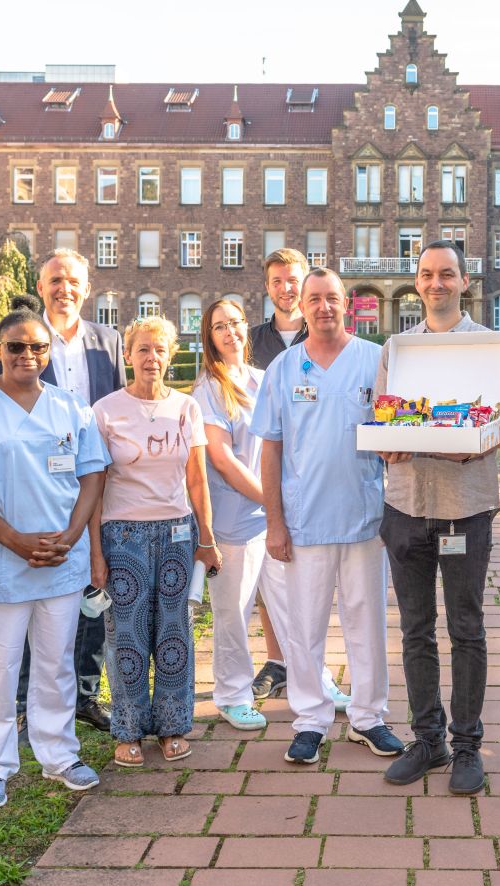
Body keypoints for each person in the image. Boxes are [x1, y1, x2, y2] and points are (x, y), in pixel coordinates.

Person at [0, 308, 109, 809]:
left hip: (61, 560)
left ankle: (60, 755)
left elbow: (92, 475)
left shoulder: (70, 407)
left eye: (38, 347)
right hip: (0, 562)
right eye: (17, 347)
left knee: (56, 664)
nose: (28, 355)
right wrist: (14, 540)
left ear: (49, 352)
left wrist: (72, 537)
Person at [377, 240, 500, 796]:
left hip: (466, 507)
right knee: (415, 630)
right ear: (416, 283)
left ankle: (467, 746)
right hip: (407, 506)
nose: (435, 283)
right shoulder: (396, 346)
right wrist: (389, 443)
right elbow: (387, 417)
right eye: (426, 274)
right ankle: (429, 740)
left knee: (465, 628)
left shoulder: (490, 345)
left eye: (446, 274)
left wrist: (479, 443)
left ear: (465, 281)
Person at [251, 267, 402, 764]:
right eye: (314, 299)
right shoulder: (285, 370)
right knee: (305, 626)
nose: (323, 307)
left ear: (347, 302)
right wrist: (274, 522)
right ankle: (311, 719)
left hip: (364, 520)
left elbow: (398, 435)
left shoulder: (375, 361)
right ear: (304, 305)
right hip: (304, 522)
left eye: (332, 298)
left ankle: (368, 717)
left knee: (367, 622)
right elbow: (269, 451)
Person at [0, 249, 126, 738]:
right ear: (41, 286)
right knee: (35, 589)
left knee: (91, 585)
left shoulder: (108, 341)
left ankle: (84, 695)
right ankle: (28, 702)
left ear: (87, 287)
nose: (64, 287)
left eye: (73, 280)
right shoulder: (18, 335)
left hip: (91, 480)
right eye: (55, 280)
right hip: (31, 484)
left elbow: (119, 406)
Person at [91, 316, 220, 766]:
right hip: (121, 534)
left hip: (176, 534)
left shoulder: (186, 408)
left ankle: (172, 727)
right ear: (128, 355)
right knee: (125, 634)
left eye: (160, 349)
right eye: (143, 349)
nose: (152, 358)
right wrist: (95, 552)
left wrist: (207, 538)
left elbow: (198, 481)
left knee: (174, 632)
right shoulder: (105, 411)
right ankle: (127, 728)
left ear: (171, 355)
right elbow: (94, 486)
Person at [244, 249, 347, 708]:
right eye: (278, 281)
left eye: (294, 281)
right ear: (268, 287)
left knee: (319, 580)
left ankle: (315, 666)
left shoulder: (328, 334)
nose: (287, 289)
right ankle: (277, 659)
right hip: (265, 461)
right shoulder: (250, 340)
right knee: (275, 571)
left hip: (321, 471)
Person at [193, 299, 273, 731]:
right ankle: (232, 695)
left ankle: (313, 682)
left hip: (273, 517)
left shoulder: (263, 379)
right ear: (210, 337)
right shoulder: (208, 388)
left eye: (235, 323)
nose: (229, 332)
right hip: (234, 521)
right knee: (234, 613)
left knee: (293, 608)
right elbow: (222, 459)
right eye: (219, 326)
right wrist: (270, 500)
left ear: (247, 328)